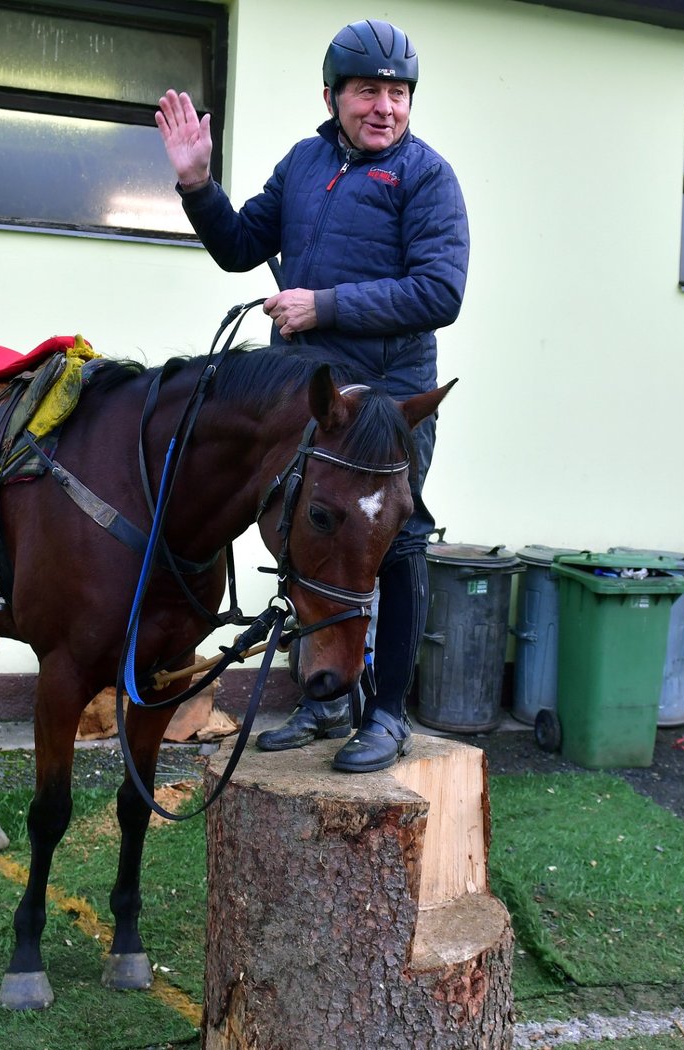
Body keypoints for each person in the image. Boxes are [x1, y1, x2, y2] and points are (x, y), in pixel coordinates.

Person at [155, 18, 469, 773]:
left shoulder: (427, 178)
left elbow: (440, 290)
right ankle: (326, 700)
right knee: (303, 531)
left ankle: (387, 713)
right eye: (368, 91)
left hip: (388, 398)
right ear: (333, 97)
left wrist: (322, 305)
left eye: (397, 93)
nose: (385, 107)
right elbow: (238, 248)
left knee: (396, 543)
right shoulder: (302, 164)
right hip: (307, 394)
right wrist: (197, 183)